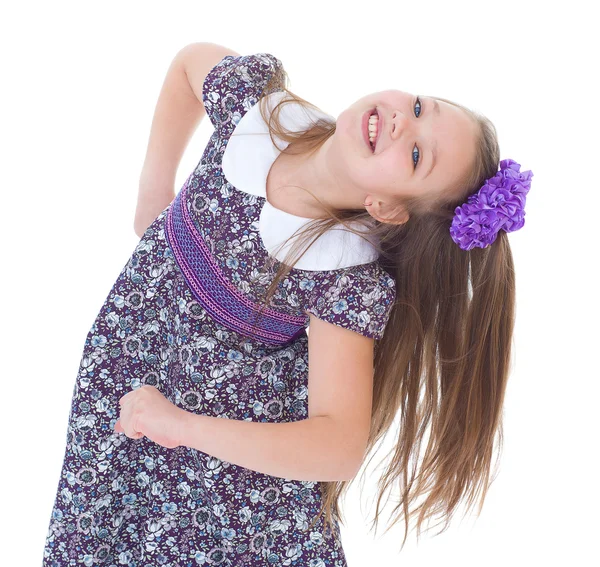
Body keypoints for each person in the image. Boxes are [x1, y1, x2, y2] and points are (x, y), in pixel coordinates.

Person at [41, 43, 533, 566]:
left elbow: (340, 445)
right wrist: (152, 193)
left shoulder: (342, 276)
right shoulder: (262, 117)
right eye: (418, 108)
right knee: (100, 532)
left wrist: (182, 427)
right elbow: (190, 65)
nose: (400, 125)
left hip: (223, 474)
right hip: (132, 366)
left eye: (415, 156)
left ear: (386, 207)